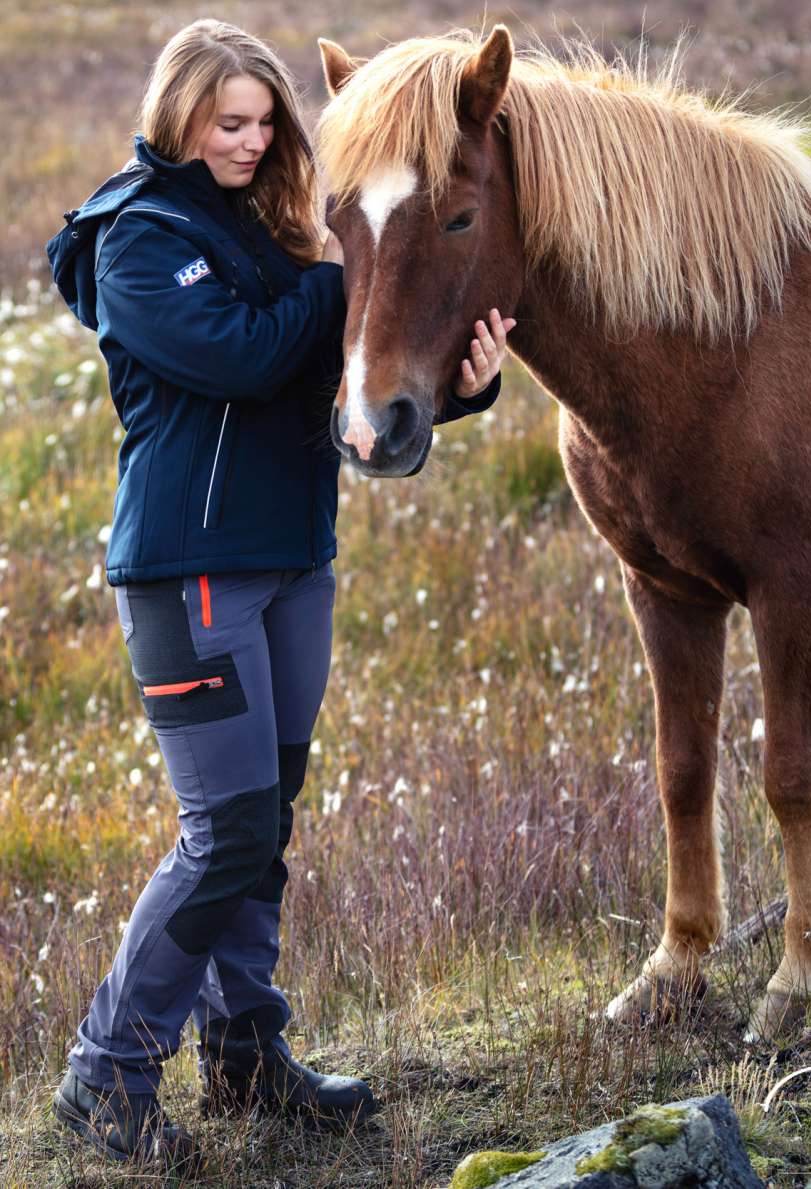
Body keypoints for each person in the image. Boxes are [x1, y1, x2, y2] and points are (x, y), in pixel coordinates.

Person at [44, 18, 515, 1170]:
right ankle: (107, 1075)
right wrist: (350, 272)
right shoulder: (135, 238)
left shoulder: (268, 226)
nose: (252, 143)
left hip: (296, 558)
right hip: (186, 570)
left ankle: (249, 1055)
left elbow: (332, 387)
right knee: (225, 831)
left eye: (265, 123)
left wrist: (458, 390)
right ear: (179, 116)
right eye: (229, 123)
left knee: (269, 819)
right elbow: (248, 357)